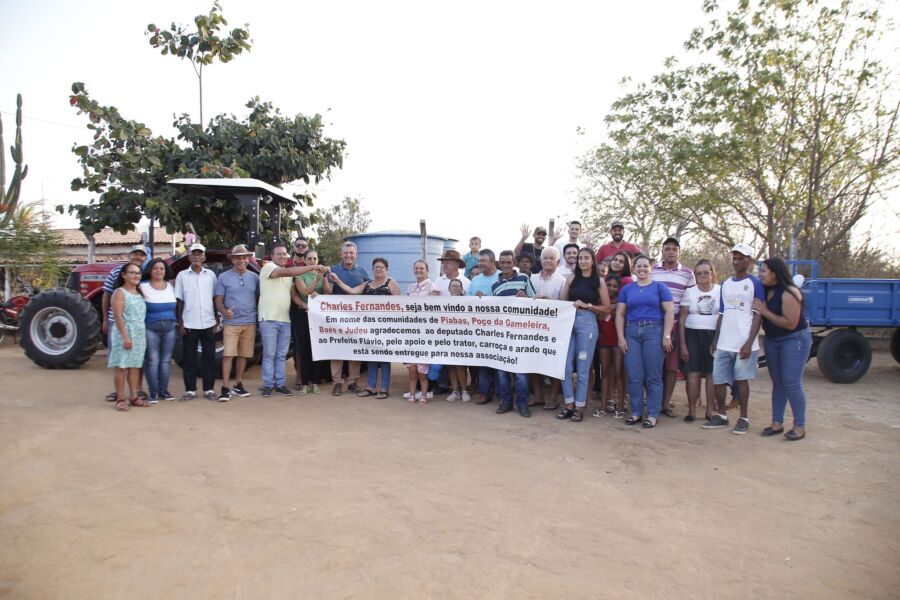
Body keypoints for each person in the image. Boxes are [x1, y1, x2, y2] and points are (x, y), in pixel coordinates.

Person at [703, 243, 764, 435]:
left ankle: (743, 418)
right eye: (735, 258)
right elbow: (722, 312)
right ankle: (721, 416)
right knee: (719, 380)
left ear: (749, 260)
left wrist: (748, 342)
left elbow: (757, 315)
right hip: (724, 342)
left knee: (741, 380)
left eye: (741, 258)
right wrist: (715, 339)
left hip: (743, 342)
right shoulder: (726, 285)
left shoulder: (755, 284)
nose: (737, 262)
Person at [754, 257, 812, 441]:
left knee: (791, 382)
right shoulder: (766, 290)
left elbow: (790, 323)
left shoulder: (789, 292)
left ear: (775, 273)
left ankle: (799, 426)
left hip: (794, 340)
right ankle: (776, 423)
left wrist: (765, 312)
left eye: (764, 271)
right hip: (773, 340)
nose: (761, 274)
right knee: (778, 382)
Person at [259, 242, 327, 397]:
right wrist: (312, 267)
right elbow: (290, 271)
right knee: (270, 354)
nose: (283, 256)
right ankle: (268, 385)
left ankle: (280, 384)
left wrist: (302, 303)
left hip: (285, 319)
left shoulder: (288, 275)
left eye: (285, 254)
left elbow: (293, 294)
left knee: (281, 355)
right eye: (280, 254)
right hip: (268, 317)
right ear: (272, 256)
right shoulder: (269, 267)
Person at [615, 255, 675, 429]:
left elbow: (669, 311)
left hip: (654, 331)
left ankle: (653, 414)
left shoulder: (660, 288)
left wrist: (667, 335)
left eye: (645, 266)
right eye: (638, 266)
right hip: (631, 332)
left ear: (651, 268)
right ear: (634, 269)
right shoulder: (627, 289)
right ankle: (636, 412)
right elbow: (619, 313)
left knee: (653, 376)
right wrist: (621, 336)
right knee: (634, 376)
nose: (641, 269)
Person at [329, 257, 401, 399]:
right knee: (371, 357)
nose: (378, 269)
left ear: (386, 269)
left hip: (386, 327)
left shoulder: (391, 283)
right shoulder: (367, 284)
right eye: (376, 267)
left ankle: (384, 388)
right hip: (369, 327)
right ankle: (371, 387)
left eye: (381, 267)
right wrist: (337, 281)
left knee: (385, 358)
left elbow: (399, 304)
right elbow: (351, 291)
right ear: (372, 269)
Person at [557, 248, 611, 422]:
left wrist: (589, 306)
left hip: (587, 322)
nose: (582, 261)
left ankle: (579, 406)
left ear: (592, 261)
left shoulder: (599, 281)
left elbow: (607, 307)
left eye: (586, 258)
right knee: (565, 367)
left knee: (582, 367)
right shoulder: (571, 279)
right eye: (580, 258)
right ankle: (568, 404)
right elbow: (562, 302)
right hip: (569, 322)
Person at [652, 237, 696, 417]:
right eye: (667, 249)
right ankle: (654, 400)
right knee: (655, 366)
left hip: (676, 324)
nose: (670, 252)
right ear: (662, 251)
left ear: (679, 252)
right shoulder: (652, 271)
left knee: (671, 367)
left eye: (674, 249)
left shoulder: (688, 274)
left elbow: (691, 299)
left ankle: (665, 403)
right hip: (655, 324)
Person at [490, 250, 536, 418]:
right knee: (502, 372)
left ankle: (522, 403)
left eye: (509, 262)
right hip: (502, 335)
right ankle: (505, 402)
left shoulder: (524, 279)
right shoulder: (494, 286)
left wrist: (526, 297)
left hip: (521, 333)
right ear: (499, 264)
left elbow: (535, 301)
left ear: (514, 262)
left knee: (521, 372)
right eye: (502, 263)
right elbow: (492, 310)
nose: (506, 265)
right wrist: (481, 299)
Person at [101, 245, 149, 402]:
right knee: (121, 365)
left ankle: (134, 395)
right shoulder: (119, 291)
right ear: (124, 275)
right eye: (132, 273)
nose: (135, 275)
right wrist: (124, 336)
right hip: (124, 331)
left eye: (137, 273)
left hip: (138, 332)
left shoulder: (140, 289)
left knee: (135, 365)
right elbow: (117, 315)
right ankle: (120, 397)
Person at [213, 245, 260, 402]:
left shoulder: (254, 277)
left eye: (244, 257)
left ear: (248, 259)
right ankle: (225, 388)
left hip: (250, 322)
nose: (241, 260)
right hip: (231, 323)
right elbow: (218, 301)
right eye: (238, 257)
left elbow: (259, 298)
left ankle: (238, 384)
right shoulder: (224, 277)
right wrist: (224, 311)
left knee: (243, 355)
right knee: (228, 355)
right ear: (232, 260)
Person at [323, 241, 370, 396]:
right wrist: (324, 278)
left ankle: (352, 382)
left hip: (356, 318)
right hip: (337, 317)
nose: (348, 255)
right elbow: (328, 292)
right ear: (341, 254)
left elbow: (367, 294)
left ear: (356, 255)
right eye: (346, 252)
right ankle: (337, 382)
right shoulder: (334, 270)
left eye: (351, 253)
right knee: (337, 350)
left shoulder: (363, 272)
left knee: (354, 350)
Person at [175, 243, 219, 401]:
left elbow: (215, 297)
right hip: (189, 323)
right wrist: (180, 323)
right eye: (193, 254)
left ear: (204, 257)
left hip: (208, 322)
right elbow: (179, 300)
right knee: (189, 359)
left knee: (209, 358)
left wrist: (216, 317)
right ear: (188, 256)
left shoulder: (211, 275)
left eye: (200, 254)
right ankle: (190, 390)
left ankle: (209, 389)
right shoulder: (182, 276)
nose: (196, 257)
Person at [679, 260, 720, 422]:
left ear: (712, 274)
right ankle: (691, 410)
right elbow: (682, 319)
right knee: (693, 373)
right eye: (699, 273)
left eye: (706, 272)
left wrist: (717, 339)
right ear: (695, 275)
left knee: (711, 374)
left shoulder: (720, 291)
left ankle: (709, 410)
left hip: (713, 336)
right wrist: (683, 345)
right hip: (692, 335)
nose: (703, 275)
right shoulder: (690, 292)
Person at [530, 246, 565, 410]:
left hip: (554, 329)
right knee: (533, 361)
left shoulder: (562, 281)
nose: (548, 261)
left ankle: (552, 397)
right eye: (546, 258)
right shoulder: (532, 279)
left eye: (552, 258)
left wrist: (549, 299)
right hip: (533, 327)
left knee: (553, 362)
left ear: (558, 262)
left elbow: (566, 305)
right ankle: (538, 395)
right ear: (541, 260)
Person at [140, 258, 177, 404]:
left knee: (166, 361)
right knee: (153, 361)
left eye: (162, 268)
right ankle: (153, 392)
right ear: (150, 270)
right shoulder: (142, 287)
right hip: (151, 328)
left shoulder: (171, 286)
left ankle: (164, 391)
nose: (159, 271)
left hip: (170, 327)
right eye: (156, 268)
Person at [293, 248, 329, 395]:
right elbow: (305, 292)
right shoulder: (299, 274)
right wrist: (317, 280)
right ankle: (304, 382)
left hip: (318, 316)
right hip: (303, 315)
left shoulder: (321, 274)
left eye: (315, 259)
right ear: (305, 260)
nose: (313, 261)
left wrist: (325, 277)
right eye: (310, 259)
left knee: (317, 350)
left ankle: (315, 382)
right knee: (305, 349)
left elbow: (327, 293)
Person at [404, 260, 436, 403]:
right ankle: (412, 393)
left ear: (427, 270)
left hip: (425, 332)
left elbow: (435, 308)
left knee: (423, 368)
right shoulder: (410, 288)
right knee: (412, 368)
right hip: (411, 332)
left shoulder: (432, 286)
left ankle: (425, 393)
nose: (419, 270)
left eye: (422, 268)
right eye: (416, 268)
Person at [595, 273, 625, 418]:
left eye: (615, 286)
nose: (612, 288)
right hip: (603, 341)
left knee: (619, 372)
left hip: (617, 341)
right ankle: (603, 405)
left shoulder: (621, 302)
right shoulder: (599, 301)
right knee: (605, 372)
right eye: (609, 285)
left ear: (619, 288)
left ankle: (621, 406)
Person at [445, 278, 471, 402]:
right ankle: (455, 391)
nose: (455, 288)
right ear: (449, 288)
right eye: (453, 285)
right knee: (450, 365)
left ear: (461, 289)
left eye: (457, 286)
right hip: (447, 338)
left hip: (461, 338)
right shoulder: (442, 303)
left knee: (460, 365)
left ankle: (464, 390)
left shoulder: (466, 302)